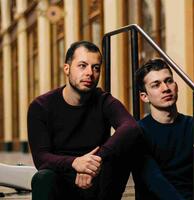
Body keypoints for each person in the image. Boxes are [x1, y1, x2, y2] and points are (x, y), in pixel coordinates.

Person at [27, 41, 141, 200]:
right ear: (67, 68)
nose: (90, 73)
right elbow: (41, 158)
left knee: (127, 146)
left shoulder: (103, 100)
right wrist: (75, 163)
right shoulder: (41, 106)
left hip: (97, 179)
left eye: (96, 68)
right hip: (61, 180)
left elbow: (130, 127)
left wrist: (95, 161)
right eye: (82, 65)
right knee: (42, 178)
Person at [132, 58, 194, 200]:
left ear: (176, 86)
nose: (165, 88)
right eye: (156, 85)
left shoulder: (193, 125)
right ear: (144, 97)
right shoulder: (139, 132)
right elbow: (155, 181)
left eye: (168, 81)